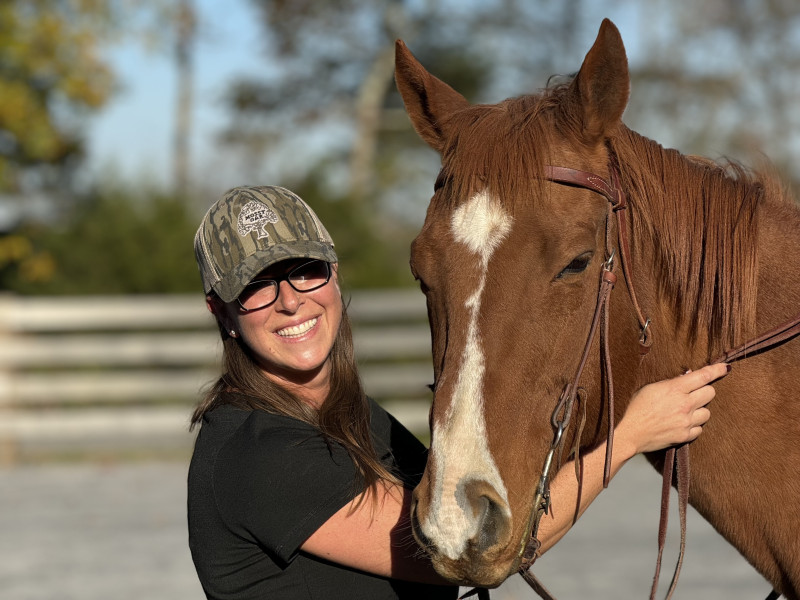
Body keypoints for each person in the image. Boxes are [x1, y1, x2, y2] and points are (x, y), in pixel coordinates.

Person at [186, 185, 728, 600]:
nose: (290, 301)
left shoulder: (351, 416)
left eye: (305, 271)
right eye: (256, 286)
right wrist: (626, 438)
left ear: (333, 274)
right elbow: (455, 550)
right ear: (222, 312)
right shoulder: (257, 453)